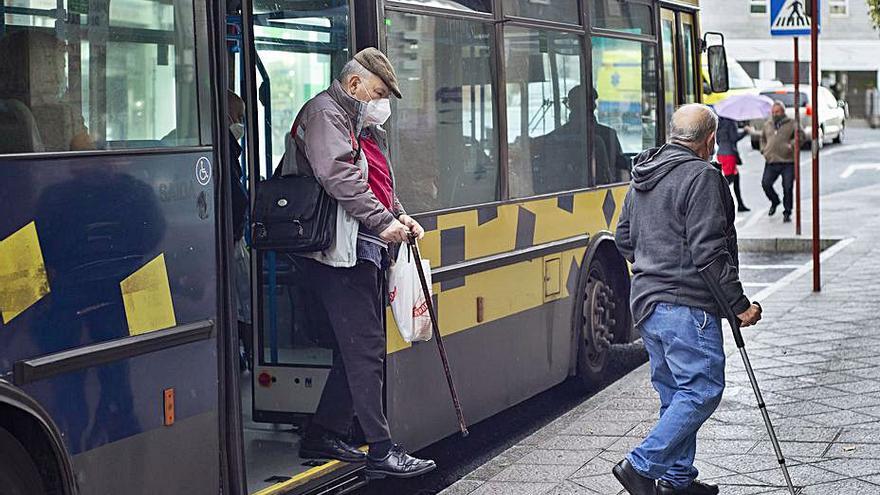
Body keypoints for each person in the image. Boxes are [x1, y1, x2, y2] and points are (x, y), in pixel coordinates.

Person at [280, 47, 435, 478]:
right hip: (334, 254)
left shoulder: (357, 122)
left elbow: (378, 181)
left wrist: (399, 215)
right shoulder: (326, 115)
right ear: (355, 85)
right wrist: (383, 221)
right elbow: (338, 175)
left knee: (360, 349)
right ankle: (381, 450)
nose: (382, 102)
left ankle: (324, 431)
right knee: (366, 347)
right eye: (380, 92)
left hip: (357, 248)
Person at [613, 104, 762, 495]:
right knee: (702, 388)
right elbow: (710, 251)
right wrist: (739, 305)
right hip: (686, 306)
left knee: (675, 395)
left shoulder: (643, 173)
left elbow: (624, 239)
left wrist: (655, 264)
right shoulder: (702, 176)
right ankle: (641, 466)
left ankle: (677, 481)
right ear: (710, 140)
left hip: (646, 302)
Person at [757, 101, 804, 223]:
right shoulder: (768, 124)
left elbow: (801, 136)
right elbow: (762, 138)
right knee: (766, 184)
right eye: (773, 112)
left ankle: (787, 212)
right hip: (771, 160)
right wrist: (764, 149)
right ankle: (775, 201)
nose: (774, 114)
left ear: (783, 112)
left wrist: (792, 145)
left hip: (788, 161)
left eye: (777, 112)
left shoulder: (792, 123)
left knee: (787, 187)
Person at [714, 116, 750, 212]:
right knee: (728, 179)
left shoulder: (719, 123)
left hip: (721, 153)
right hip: (729, 155)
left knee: (736, 178)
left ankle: (740, 205)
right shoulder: (730, 122)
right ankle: (715, 200)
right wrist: (745, 131)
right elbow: (734, 138)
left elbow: (717, 141)